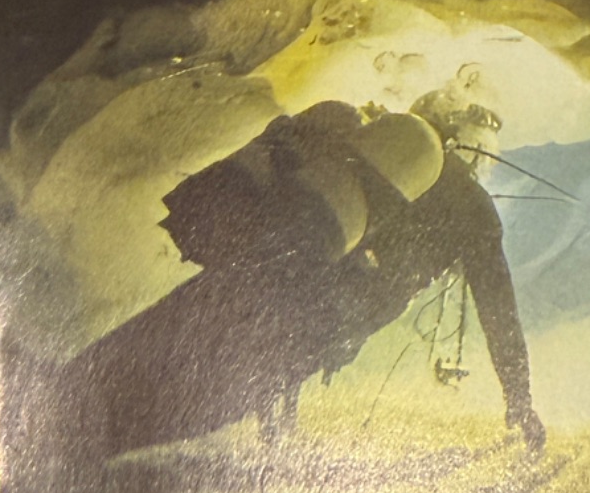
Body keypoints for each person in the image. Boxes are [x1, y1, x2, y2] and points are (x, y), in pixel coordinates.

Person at [63, 93, 544, 462]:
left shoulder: (366, 141)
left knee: (164, 332)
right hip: (320, 324)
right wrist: (518, 396)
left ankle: (56, 402)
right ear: (473, 152)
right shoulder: (475, 211)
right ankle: (81, 444)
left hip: (265, 261)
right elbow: (498, 310)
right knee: (203, 398)